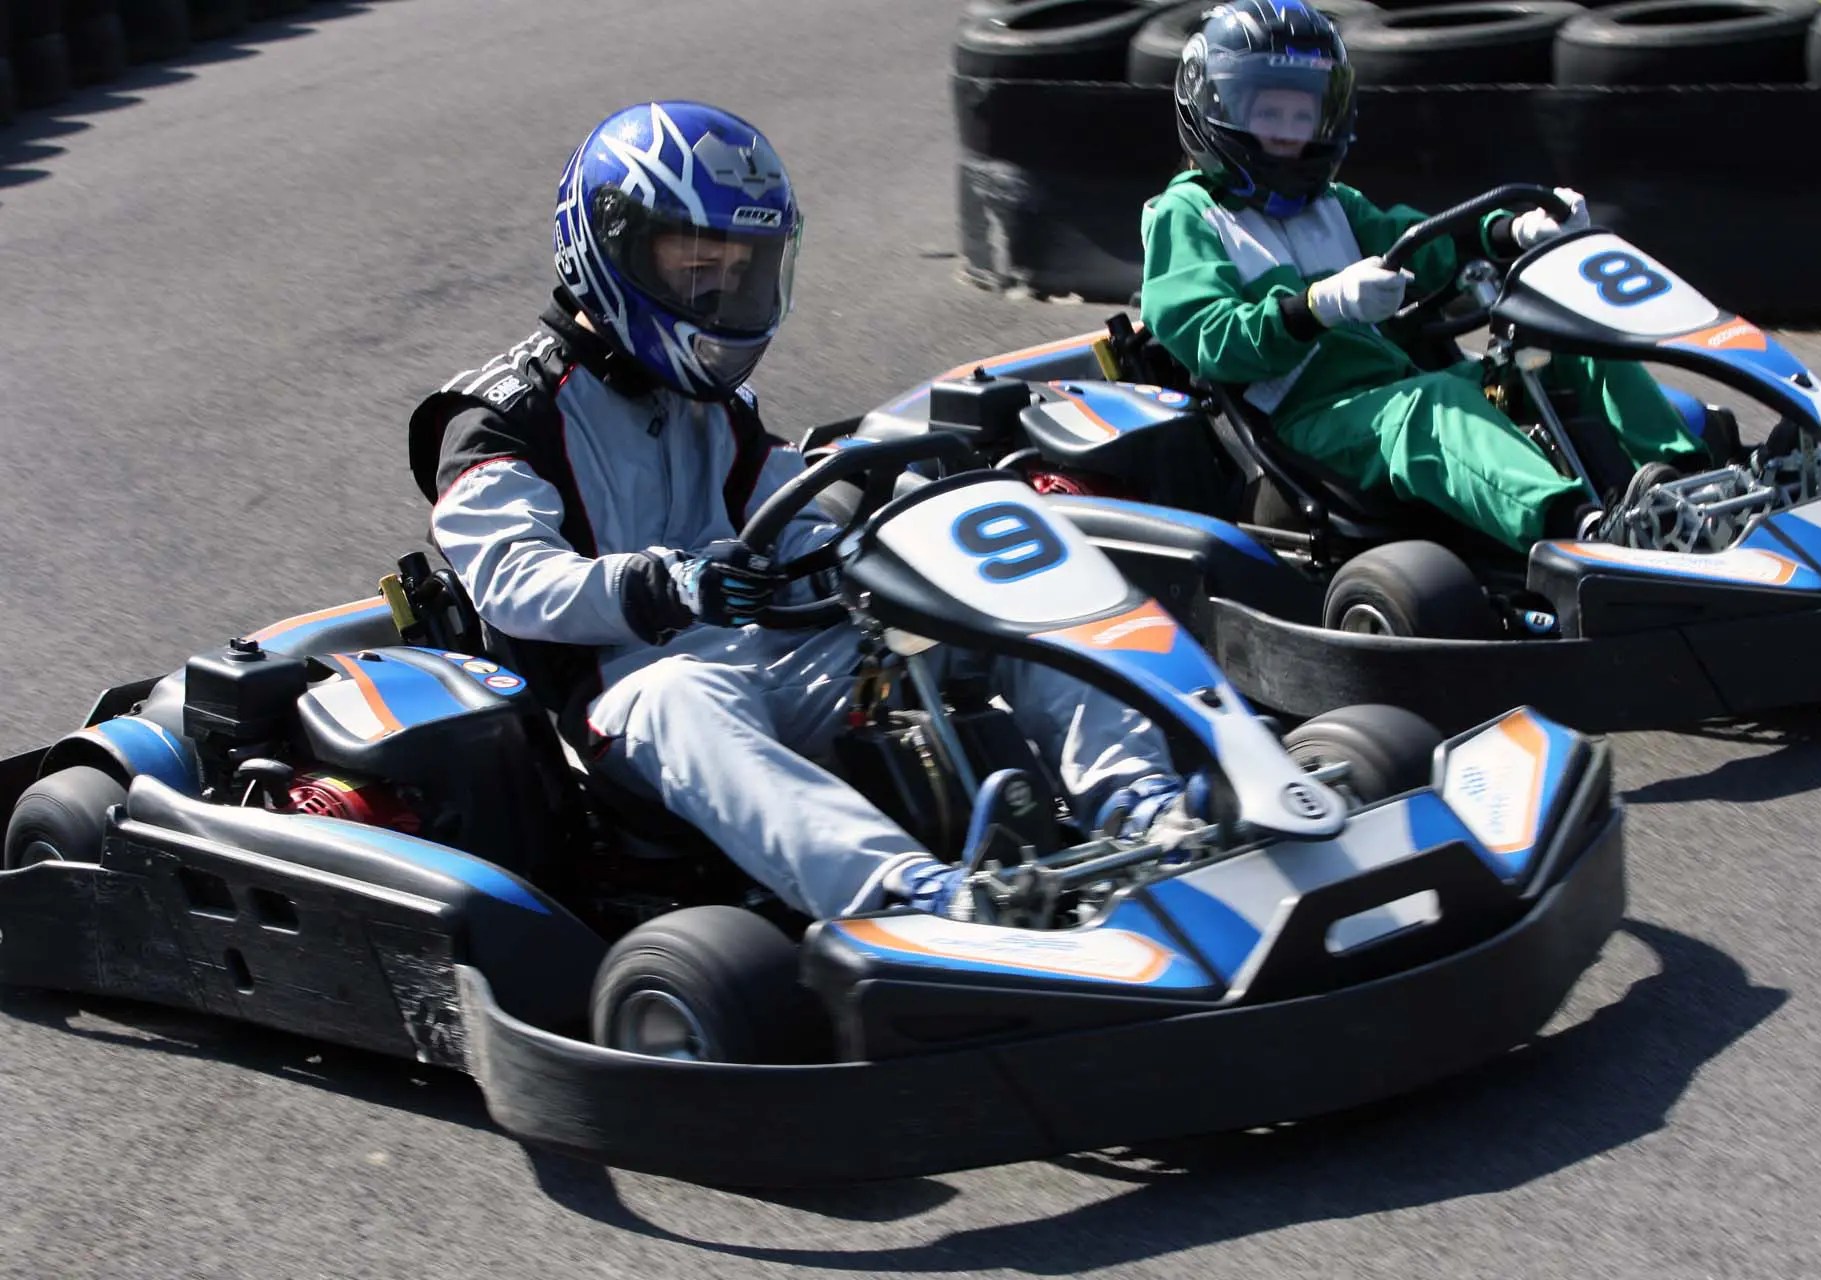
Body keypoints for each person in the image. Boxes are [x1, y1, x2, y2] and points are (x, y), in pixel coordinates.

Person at [409, 101, 1198, 923]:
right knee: (685, 697)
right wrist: (664, 585)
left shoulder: (715, 404)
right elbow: (512, 581)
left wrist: (866, 562)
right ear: (612, 247)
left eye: (740, 267)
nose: (719, 290)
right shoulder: (502, 416)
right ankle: (914, 901)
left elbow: (793, 515)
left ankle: (1142, 805)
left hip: (763, 654)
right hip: (623, 702)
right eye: (694, 264)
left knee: (985, 606)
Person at [1137, 0, 1712, 554]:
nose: (1289, 131)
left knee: (1562, 344)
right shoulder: (1189, 214)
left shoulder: (1332, 204)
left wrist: (1513, 233)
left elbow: (1421, 243)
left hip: (1394, 385)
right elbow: (1208, 337)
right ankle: (1581, 532)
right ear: (1216, 109)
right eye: (1267, 113)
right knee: (1428, 408)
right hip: (1308, 422)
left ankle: (1695, 489)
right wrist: (1319, 306)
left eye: (1302, 113)